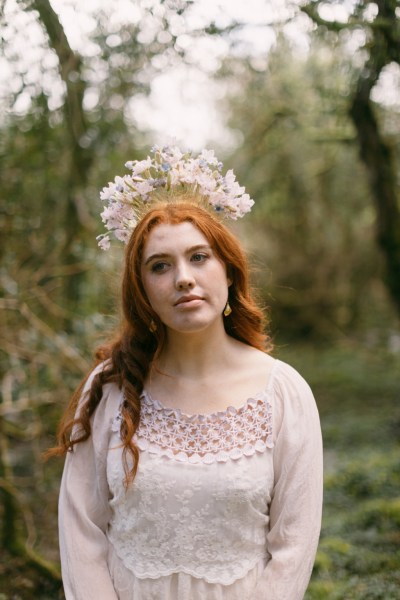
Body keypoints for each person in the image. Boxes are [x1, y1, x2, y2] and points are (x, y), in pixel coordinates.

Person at [53, 145, 323, 600]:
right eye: (160, 266)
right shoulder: (112, 389)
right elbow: (81, 531)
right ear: (143, 291)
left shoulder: (283, 393)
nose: (183, 278)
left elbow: (293, 547)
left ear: (230, 271)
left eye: (199, 257)